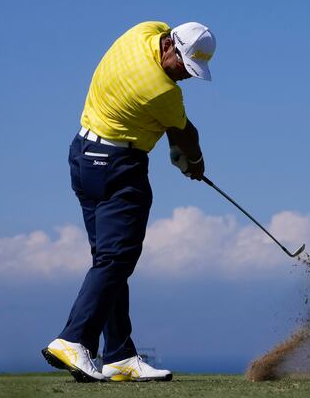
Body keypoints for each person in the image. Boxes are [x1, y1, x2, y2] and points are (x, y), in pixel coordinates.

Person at [41, 21, 216, 382]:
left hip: (83, 155)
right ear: (169, 46)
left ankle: (119, 355)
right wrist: (195, 165)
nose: (184, 74)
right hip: (118, 168)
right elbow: (186, 133)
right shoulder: (163, 92)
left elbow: (172, 129)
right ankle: (74, 339)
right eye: (183, 65)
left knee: (108, 260)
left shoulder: (143, 32)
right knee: (117, 259)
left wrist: (172, 145)